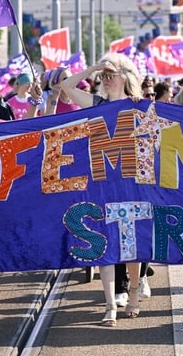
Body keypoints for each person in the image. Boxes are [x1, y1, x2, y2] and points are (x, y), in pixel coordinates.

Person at [60, 53, 144, 326]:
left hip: (131, 183)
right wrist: (95, 67)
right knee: (105, 244)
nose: (106, 80)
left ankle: (133, 292)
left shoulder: (139, 106)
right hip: (102, 182)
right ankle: (110, 305)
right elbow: (67, 88)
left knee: (131, 247)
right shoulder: (96, 103)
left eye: (111, 76)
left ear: (125, 77)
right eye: (103, 77)